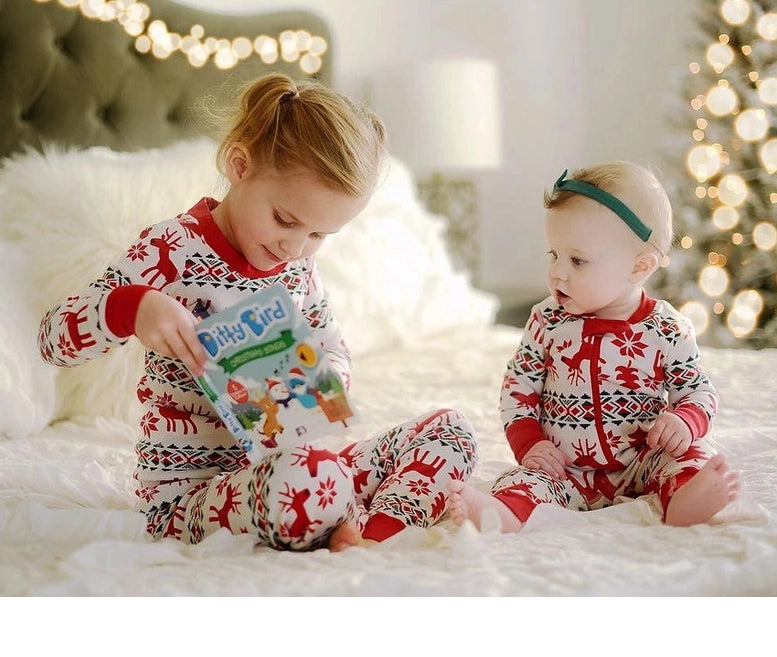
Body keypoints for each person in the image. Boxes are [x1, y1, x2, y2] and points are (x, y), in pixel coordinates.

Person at [39, 72, 477, 552]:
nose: (295, 247)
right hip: (193, 498)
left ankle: (370, 532)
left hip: (300, 464)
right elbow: (53, 340)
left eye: (318, 235)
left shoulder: (298, 265)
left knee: (451, 431)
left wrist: (320, 382)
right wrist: (133, 308)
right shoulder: (170, 250)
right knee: (306, 478)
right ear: (239, 165)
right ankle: (340, 515)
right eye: (286, 220)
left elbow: (331, 344)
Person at [448, 160, 738, 532]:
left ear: (639, 268)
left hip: (644, 460)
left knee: (693, 454)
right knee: (523, 481)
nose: (557, 272)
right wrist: (529, 444)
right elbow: (518, 389)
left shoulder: (666, 328)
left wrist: (684, 421)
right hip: (565, 467)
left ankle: (685, 500)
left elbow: (697, 391)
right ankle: (499, 514)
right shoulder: (547, 321)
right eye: (553, 254)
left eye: (577, 260)